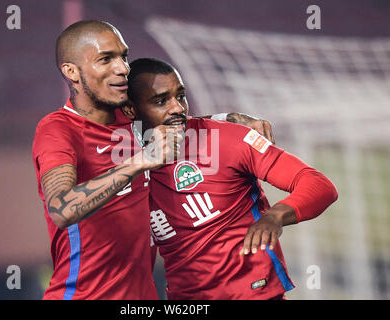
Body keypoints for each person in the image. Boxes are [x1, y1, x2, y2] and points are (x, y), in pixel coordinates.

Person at [32, 20, 272, 300]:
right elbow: (62, 209)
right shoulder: (57, 129)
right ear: (71, 71)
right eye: (105, 59)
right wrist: (140, 161)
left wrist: (229, 119)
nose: (122, 68)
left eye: (123, 56)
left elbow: (180, 121)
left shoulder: (130, 119)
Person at [123, 57, 338, 300]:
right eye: (161, 101)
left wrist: (275, 216)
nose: (178, 108)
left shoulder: (226, 139)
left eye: (181, 96)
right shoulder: (124, 162)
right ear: (131, 110)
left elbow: (318, 185)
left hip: (255, 294)